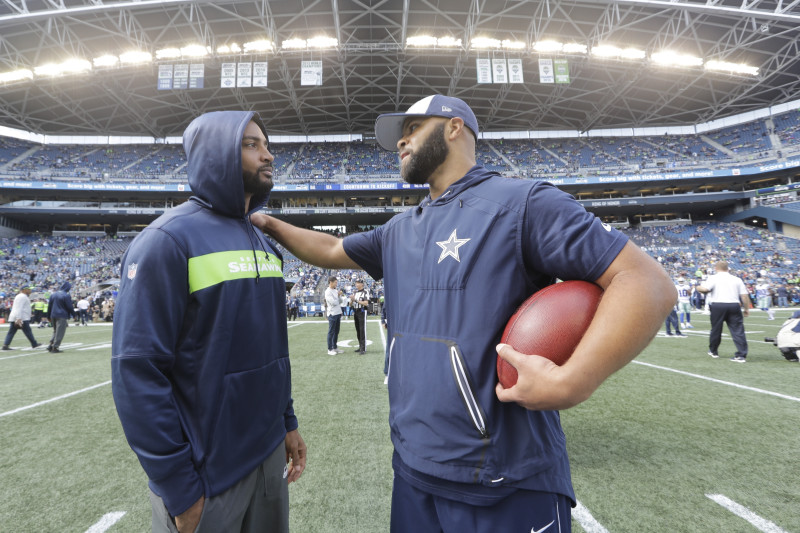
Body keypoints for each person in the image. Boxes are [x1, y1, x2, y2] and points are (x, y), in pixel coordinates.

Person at [251, 95, 675, 532]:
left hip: (506, 481)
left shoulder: (523, 203)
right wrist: (270, 224)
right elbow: (332, 248)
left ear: (454, 128)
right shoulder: (399, 229)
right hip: (413, 472)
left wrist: (575, 380)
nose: (401, 140)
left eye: (414, 127)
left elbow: (647, 283)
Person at [111, 111, 306, 533]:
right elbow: (136, 373)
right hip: (207, 475)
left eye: (267, 144)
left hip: (269, 455)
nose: (268, 155)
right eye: (251, 144)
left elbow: (273, 350)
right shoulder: (166, 242)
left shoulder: (264, 243)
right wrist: (180, 488)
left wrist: (286, 423)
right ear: (215, 155)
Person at [696, 261, 751, 362]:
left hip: (718, 305)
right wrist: (746, 309)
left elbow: (705, 289)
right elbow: (744, 295)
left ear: (716, 268)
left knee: (716, 329)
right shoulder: (737, 279)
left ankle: (713, 351)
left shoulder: (713, 278)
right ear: (727, 268)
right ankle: (741, 355)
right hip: (734, 305)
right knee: (738, 331)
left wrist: (698, 287)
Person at [2, 285, 41, 350]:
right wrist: (18, 318)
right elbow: (19, 308)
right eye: (29, 289)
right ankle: (34, 344)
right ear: (24, 290)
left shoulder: (21, 296)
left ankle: (5, 345)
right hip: (22, 318)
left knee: (12, 332)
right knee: (27, 331)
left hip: (18, 317)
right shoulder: (22, 297)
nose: (30, 290)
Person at [46, 281, 73, 353]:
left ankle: (50, 345)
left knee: (55, 331)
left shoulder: (53, 294)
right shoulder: (66, 295)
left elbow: (49, 306)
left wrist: (48, 316)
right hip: (62, 315)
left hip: (53, 315)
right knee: (60, 332)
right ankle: (55, 347)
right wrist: (74, 315)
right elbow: (69, 307)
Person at [324, 276, 343, 355]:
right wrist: (338, 296)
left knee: (336, 331)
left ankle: (334, 347)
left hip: (338, 312)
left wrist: (339, 296)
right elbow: (334, 303)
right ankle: (330, 349)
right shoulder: (327, 292)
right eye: (335, 282)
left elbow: (341, 301)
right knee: (331, 332)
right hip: (332, 314)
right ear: (330, 282)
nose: (336, 284)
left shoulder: (335, 291)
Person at [350, 279, 370, 354]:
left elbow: (366, 303)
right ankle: (360, 346)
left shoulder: (365, 292)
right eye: (356, 283)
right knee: (358, 330)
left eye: (358, 283)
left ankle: (363, 348)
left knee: (362, 330)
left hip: (362, 311)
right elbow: (350, 304)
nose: (356, 284)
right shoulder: (355, 292)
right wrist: (352, 300)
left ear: (362, 284)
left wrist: (356, 300)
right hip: (356, 311)